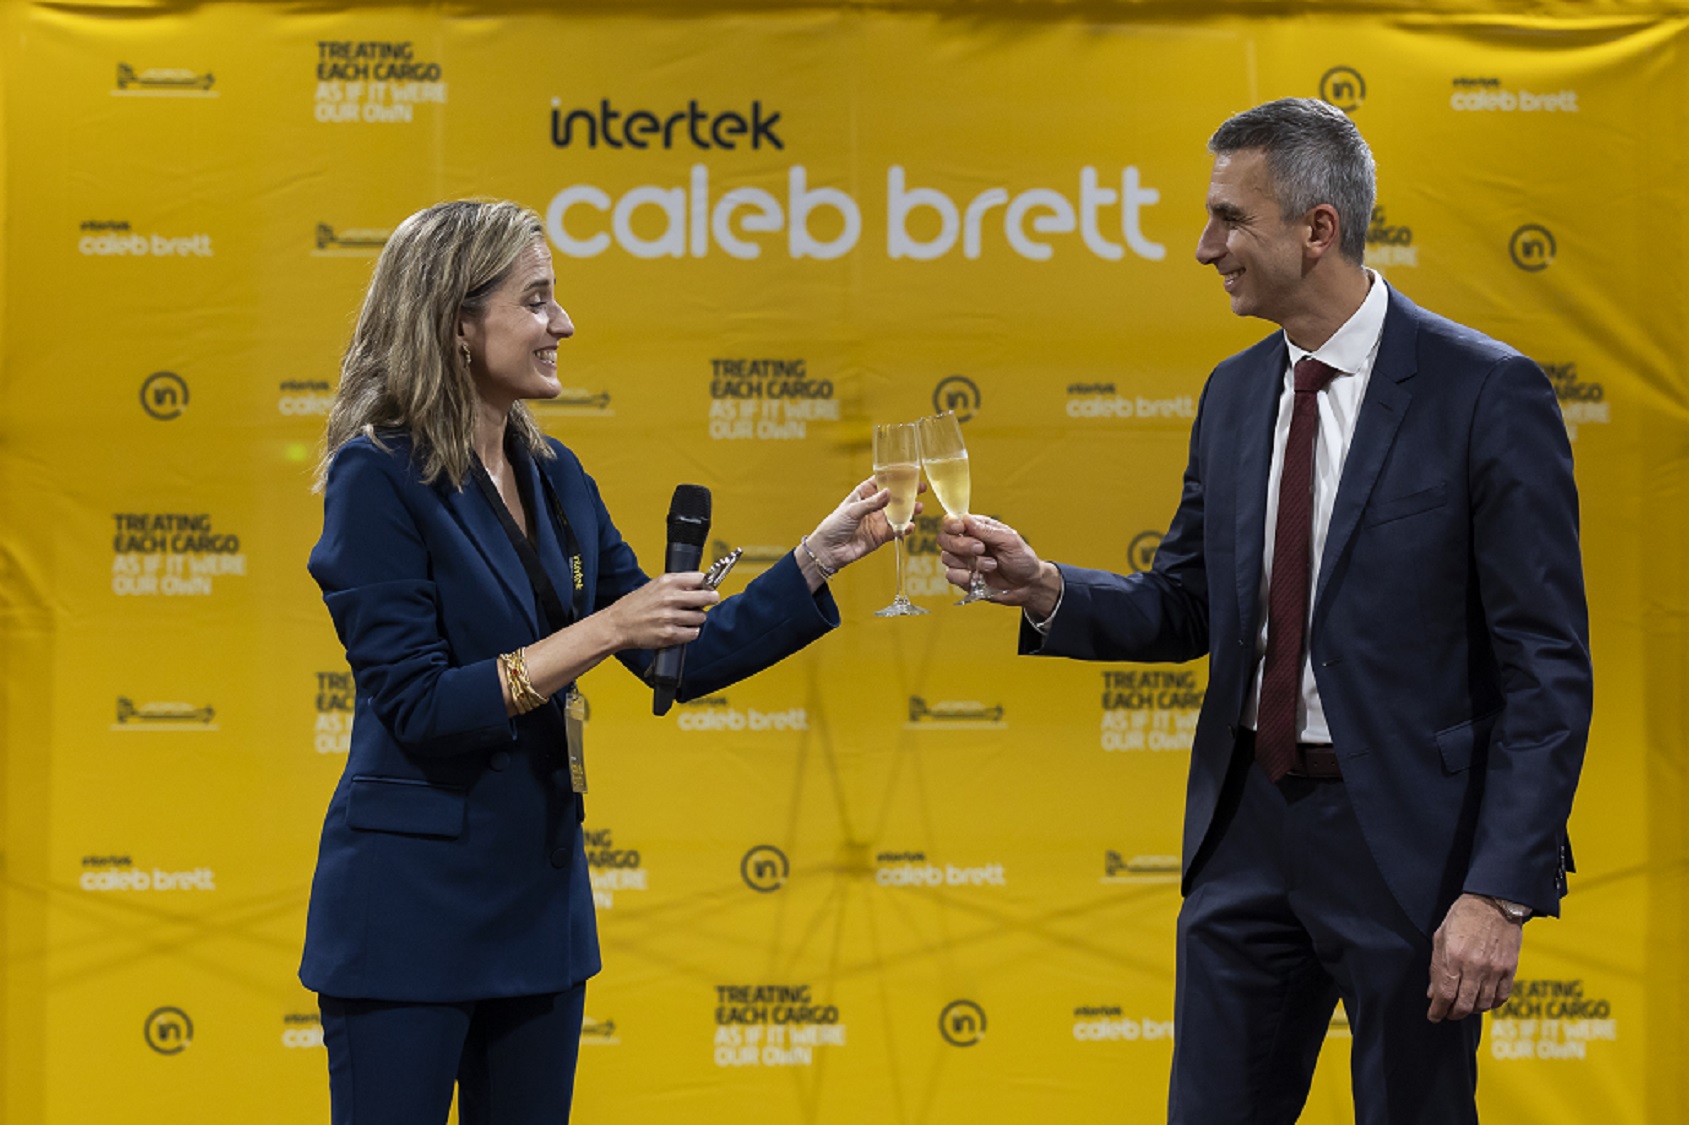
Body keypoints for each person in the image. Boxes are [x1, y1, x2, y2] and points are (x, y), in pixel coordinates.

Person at [939, 99, 1591, 1123]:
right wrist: (1046, 589)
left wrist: (1498, 891)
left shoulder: (1485, 393)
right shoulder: (1234, 394)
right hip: (1245, 833)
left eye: (1230, 220)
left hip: (1413, 853)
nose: (1207, 248)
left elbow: (1546, 667)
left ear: (1316, 230)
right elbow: (1189, 605)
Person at [302, 199, 902, 1124]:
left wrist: (816, 559)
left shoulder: (558, 476)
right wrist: (605, 628)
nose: (563, 324)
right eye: (536, 301)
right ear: (457, 324)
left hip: (538, 916)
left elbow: (679, 656)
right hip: (406, 919)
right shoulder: (376, 476)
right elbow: (419, 701)